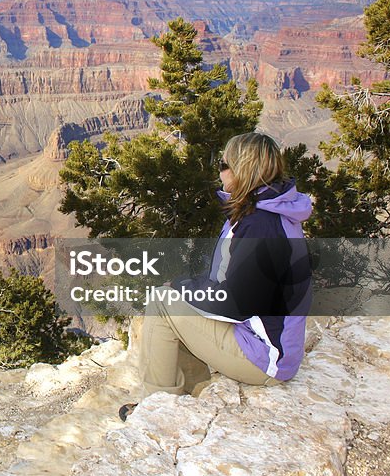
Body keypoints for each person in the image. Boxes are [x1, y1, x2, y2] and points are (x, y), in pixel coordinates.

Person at [120, 132, 313, 420]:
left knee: (161, 303)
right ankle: (193, 389)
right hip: (270, 343)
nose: (219, 169)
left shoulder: (260, 225)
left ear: (243, 169)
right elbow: (231, 280)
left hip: (265, 357)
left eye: (224, 163)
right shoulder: (267, 210)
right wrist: (184, 287)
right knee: (176, 299)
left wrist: (182, 289)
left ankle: (156, 410)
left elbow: (232, 303)